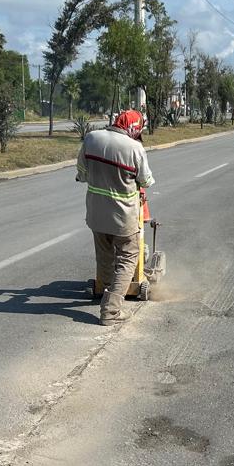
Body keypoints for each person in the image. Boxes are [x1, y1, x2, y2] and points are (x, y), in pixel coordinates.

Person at [75, 109, 155, 324]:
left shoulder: (92, 138)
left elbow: (81, 173)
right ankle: (110, 311)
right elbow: (146, 180)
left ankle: (104, 292)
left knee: (104, 255)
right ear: (134, 128)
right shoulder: (134, 148)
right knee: (128, 257)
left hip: (96, 213)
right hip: (123, 215)